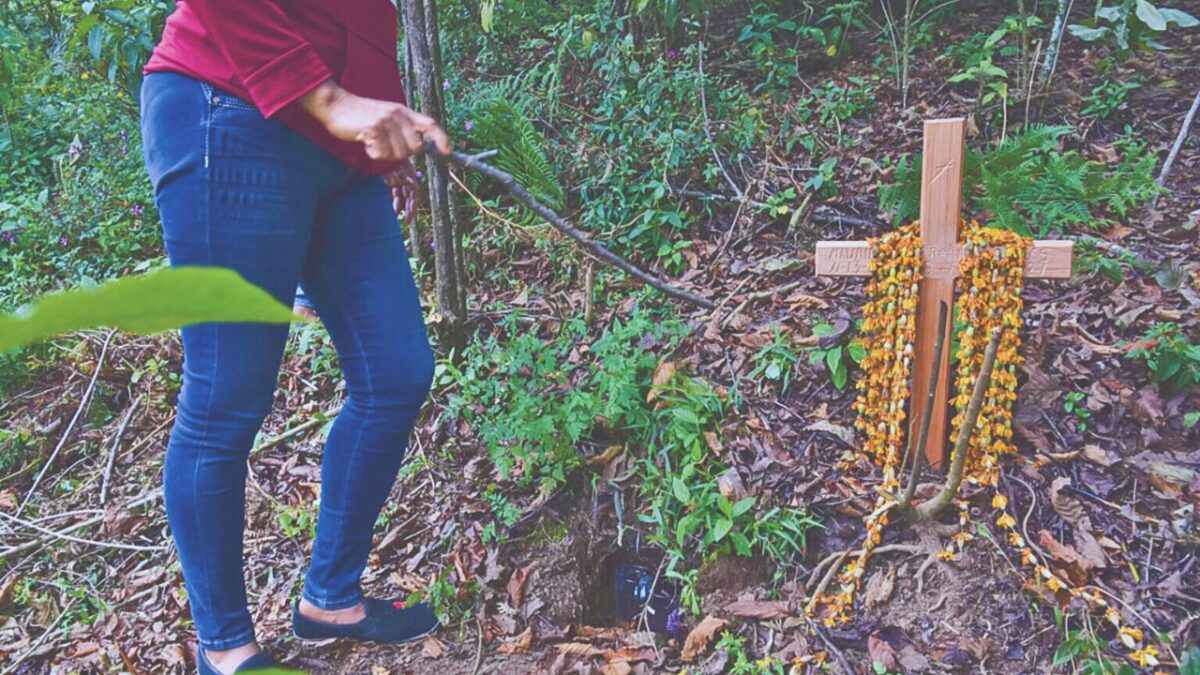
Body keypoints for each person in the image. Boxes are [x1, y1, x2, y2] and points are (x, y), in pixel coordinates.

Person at [139, 2, 452, 673]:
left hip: (334, 146)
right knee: (227, 398)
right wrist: (335, 101)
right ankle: (225, 648)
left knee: (397, 371)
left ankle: (330, 599)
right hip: (229, 109)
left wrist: (373, 127)